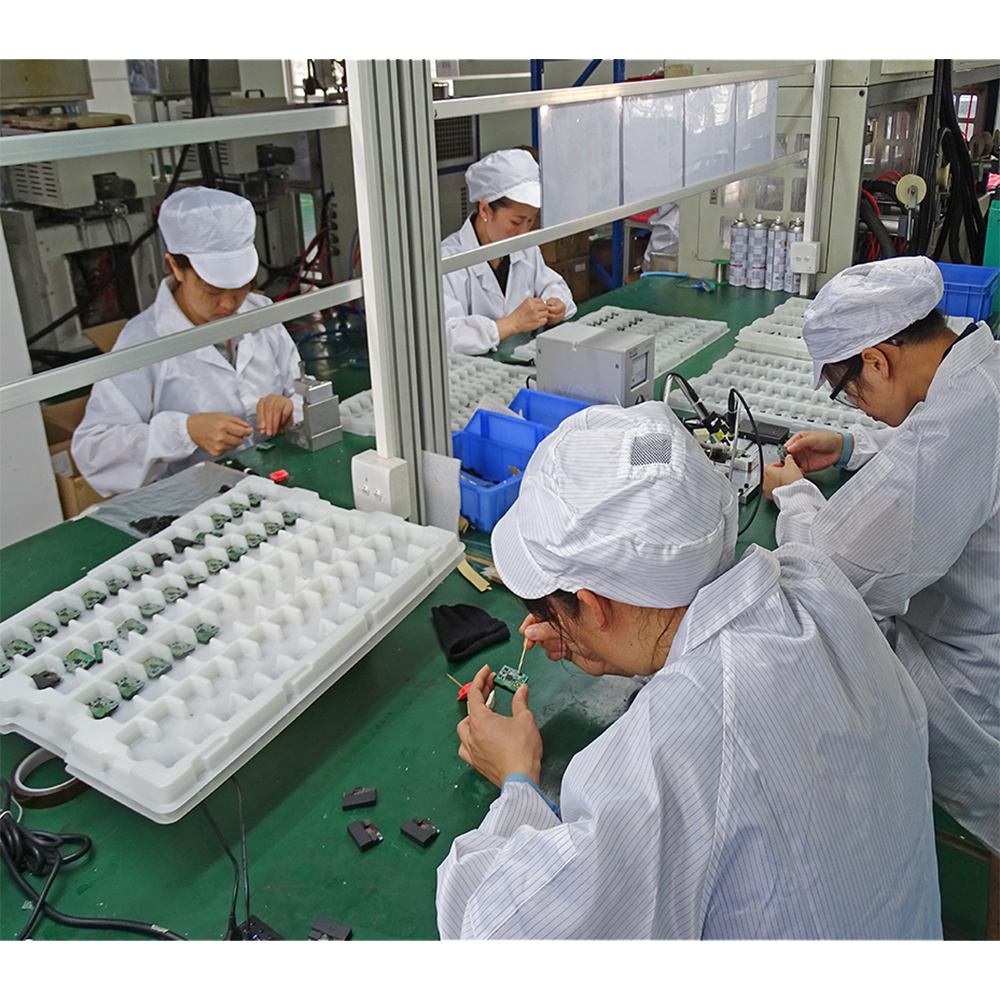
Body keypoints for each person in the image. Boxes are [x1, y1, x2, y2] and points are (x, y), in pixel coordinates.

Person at [436, 401, 941, 940]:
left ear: (593, 605)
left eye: (551, 611)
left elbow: (493, 934)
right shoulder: (815, 580)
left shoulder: (666, 754)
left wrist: (517, 781)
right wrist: (617, 652)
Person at [763, 255, 1000, 855]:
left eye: (847, 390)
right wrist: (850, 444)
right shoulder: (979, 369)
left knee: (805, 660)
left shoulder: (952, 430)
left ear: (878, 359)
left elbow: (829, 573)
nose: (855, 403)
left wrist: (793, 495)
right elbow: (926, 442)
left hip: (968, 699)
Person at [72, 187, 303, 497]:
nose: (228, 304)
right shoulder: (143, 340)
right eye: (212, 290)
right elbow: (94, 449)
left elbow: (304, 390)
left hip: (275, 482)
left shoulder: (258, 312)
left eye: (241, 286)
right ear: (175, 267)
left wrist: (291, 408)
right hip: (193, 501)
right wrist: (184, 432)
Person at [441, 148, 577, 356]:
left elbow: (552, 284)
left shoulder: (524, 247)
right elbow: (446, 336)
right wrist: (510, 324)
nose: (524, 231)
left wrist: (556, 304)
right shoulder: (448, 262)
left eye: (531, 220)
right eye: (516, 221)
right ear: (485, 210)